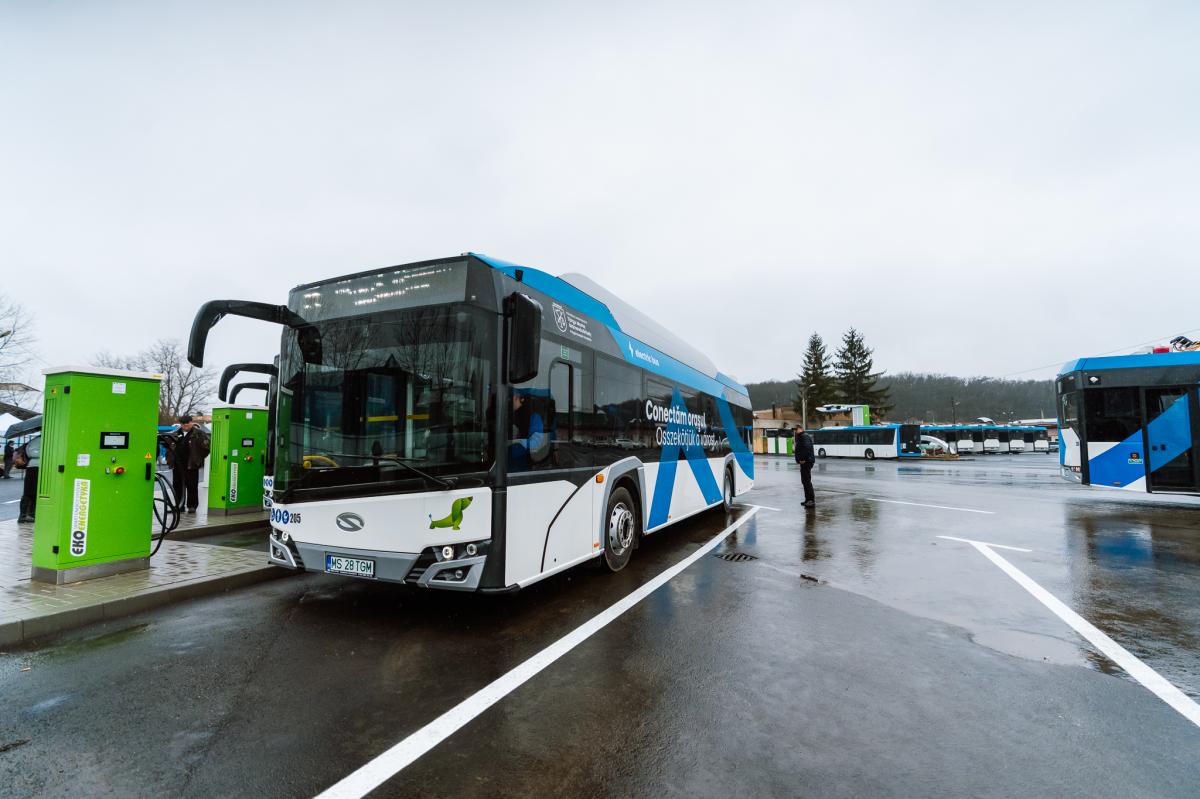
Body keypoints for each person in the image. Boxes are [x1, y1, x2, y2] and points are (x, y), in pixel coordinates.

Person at [166, 414, 210, 512]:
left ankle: (192, 506)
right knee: (177, 486)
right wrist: (170, 460)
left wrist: (198, 459)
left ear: (191, 422)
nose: (185, 425)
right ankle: (179, 506)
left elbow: (207, 448)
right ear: (180, 424)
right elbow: (168, 447)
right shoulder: (175, 433)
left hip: (192, 464)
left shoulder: (199, 434)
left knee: (192, 486)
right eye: (183, 423)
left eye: (187, 423)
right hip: (177, 464)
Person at [16, 434, 40, 523]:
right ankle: (25, 515)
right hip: (35, 467)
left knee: (32, 492)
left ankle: (30, 514)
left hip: (33, 467)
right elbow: (33, 453)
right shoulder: (39, 440)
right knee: (30, 492)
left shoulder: (34, 440)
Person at [794, 425, 816, 508]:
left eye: (796, 429)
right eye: (795, 430)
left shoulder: (804, 436)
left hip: (806, 462)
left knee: (806, 481)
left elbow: (806, 448)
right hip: (804, 462)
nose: (795, 431)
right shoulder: (800, 437)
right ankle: (807, 499)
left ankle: (811, 500)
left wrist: (803, 459)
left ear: (801, 429)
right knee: (804, 481)